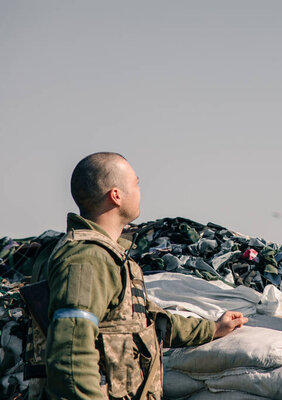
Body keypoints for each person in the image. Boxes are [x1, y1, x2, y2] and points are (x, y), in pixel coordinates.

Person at [34, 152, 247, 399]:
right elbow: (70, 353)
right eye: (136, 183)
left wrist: (212, 328)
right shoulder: (87, 258)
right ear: (116, 195)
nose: (139, 191)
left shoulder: (108, 256)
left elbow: (148, 323)